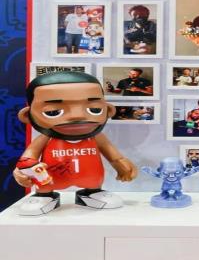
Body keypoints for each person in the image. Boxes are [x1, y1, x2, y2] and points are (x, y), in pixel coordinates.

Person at [12, 71, 137, 216]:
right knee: (44, 186)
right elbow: (29, 157)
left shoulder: (96, 137)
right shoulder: (46, 138)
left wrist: (120, 162)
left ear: (108, 110)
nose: (77, 115)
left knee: (94, 181)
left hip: (90, 176)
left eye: (94, 109)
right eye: (53, 112)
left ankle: (92, 192)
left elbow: (109, 149)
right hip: (50, 178)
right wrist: (21, 170)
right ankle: (45, 196)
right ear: (27, 115)